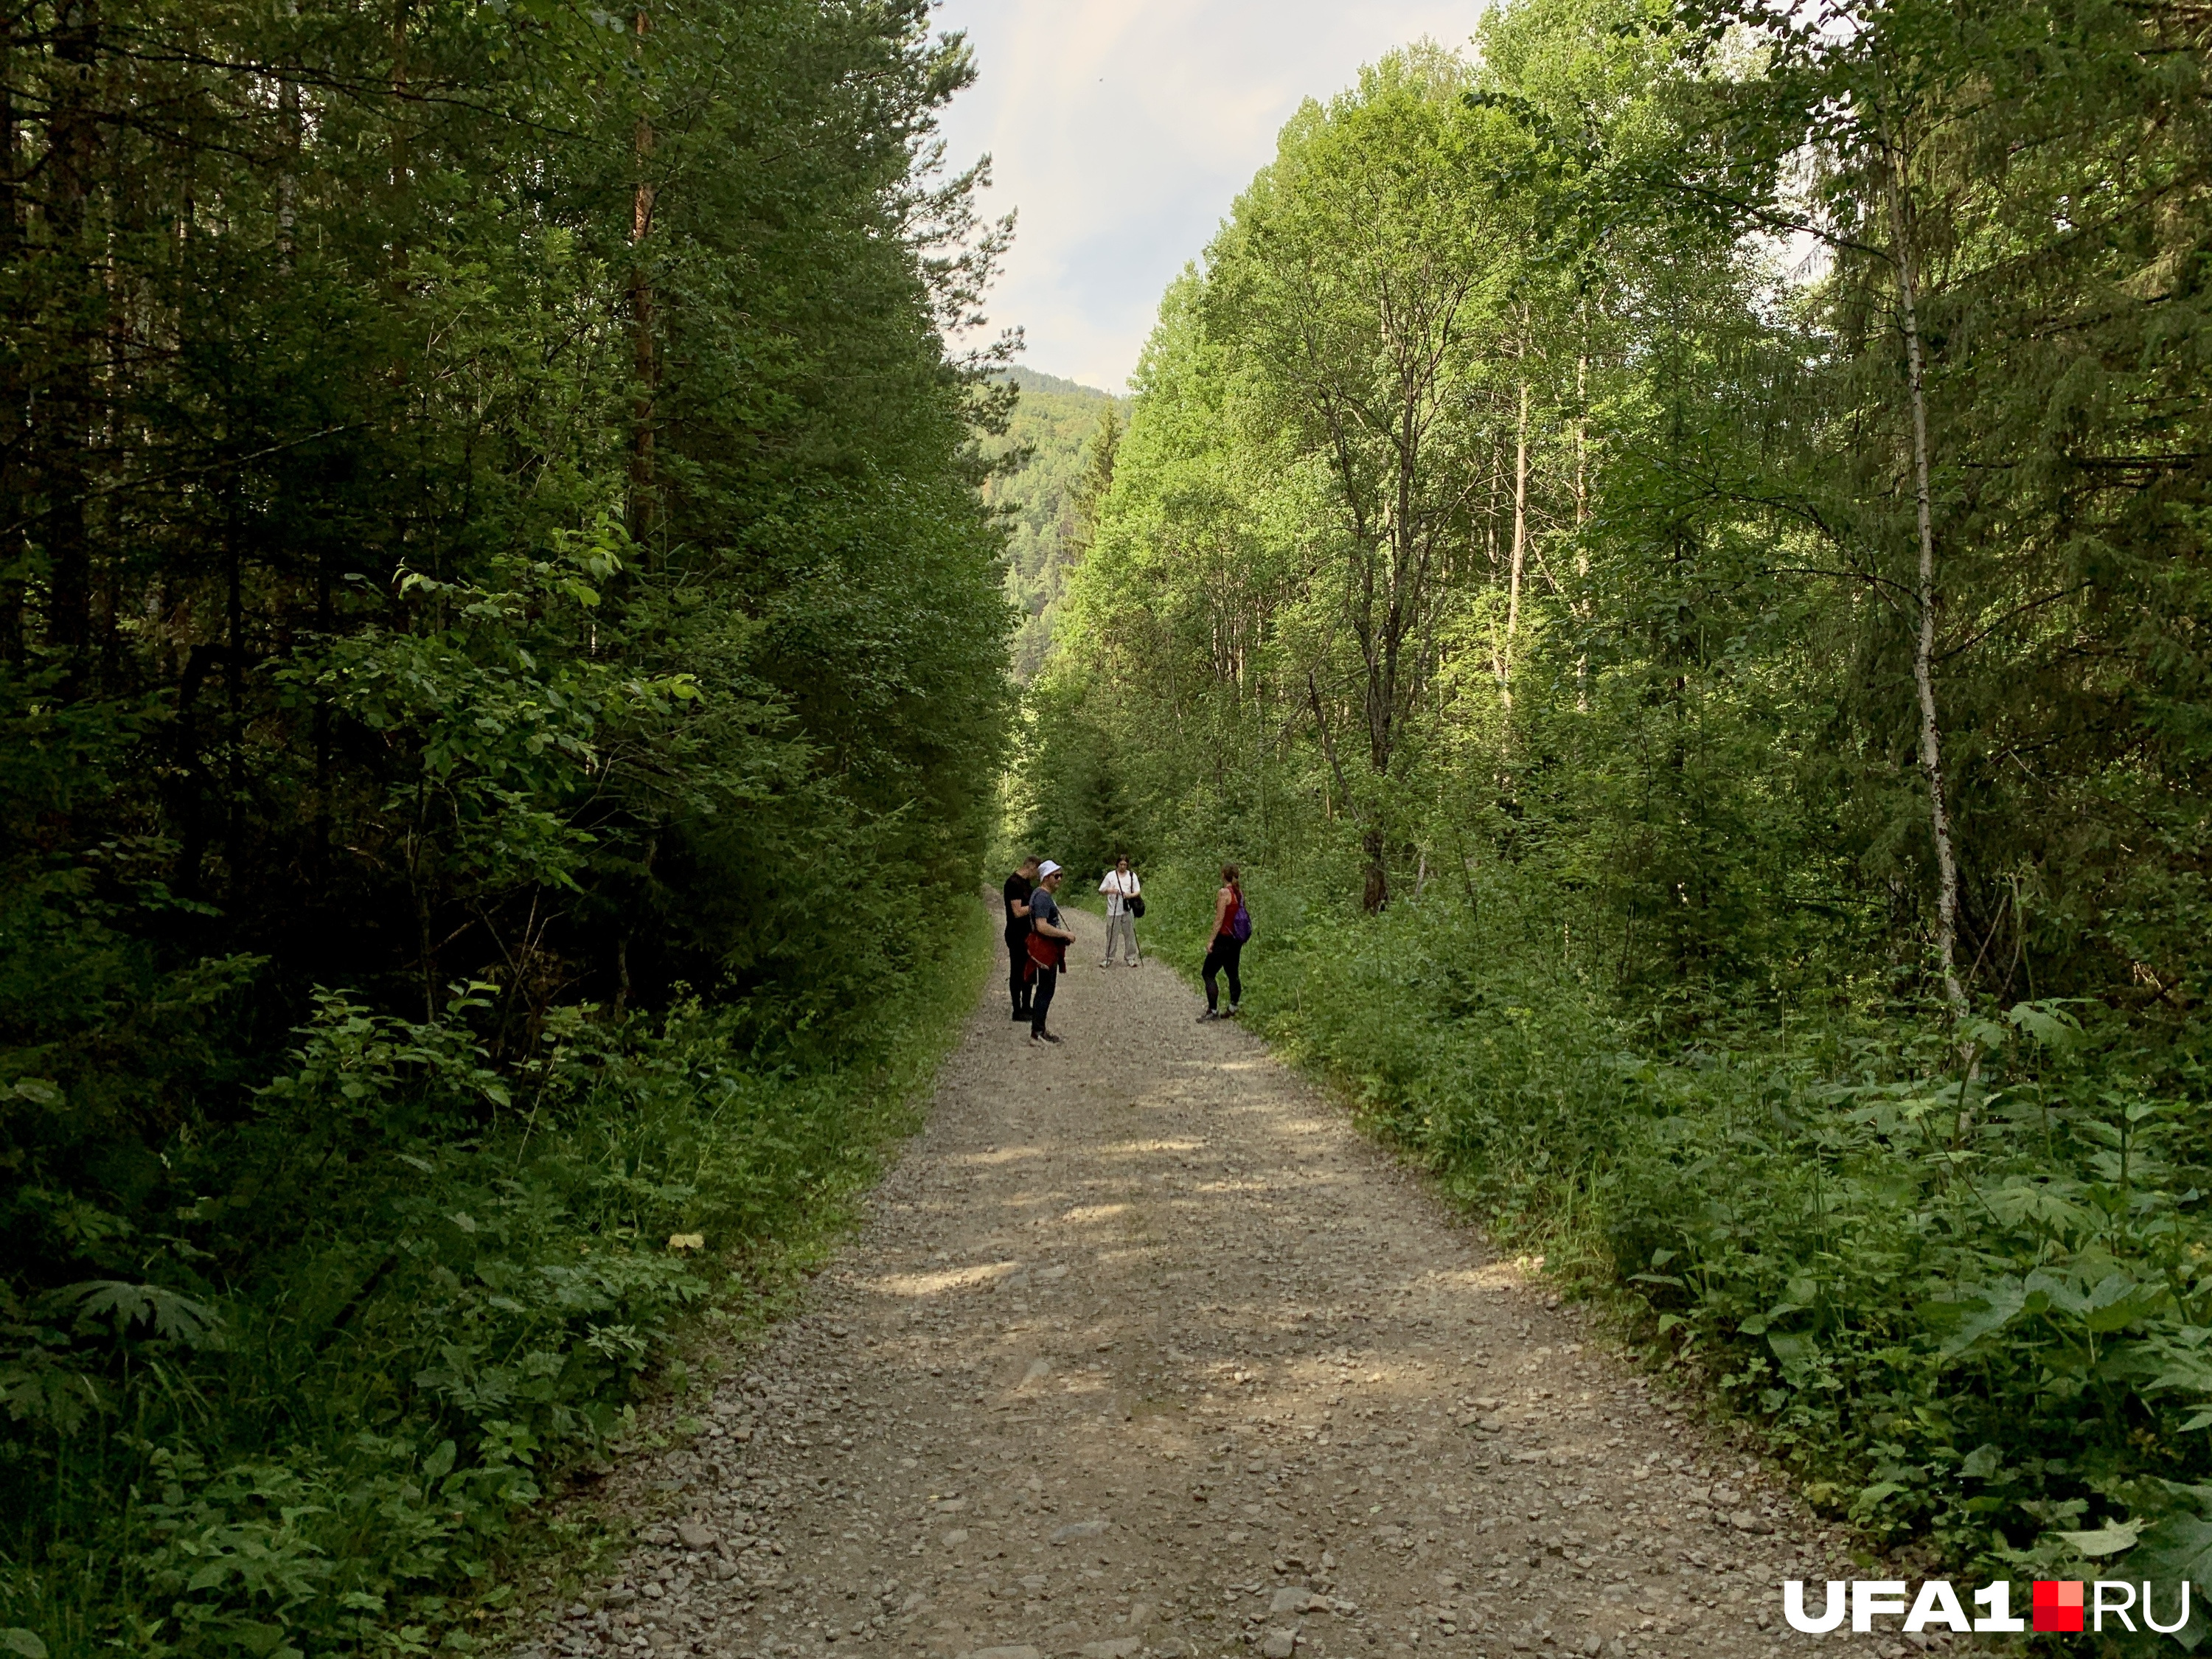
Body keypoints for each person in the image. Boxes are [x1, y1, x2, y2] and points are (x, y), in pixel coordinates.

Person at [1024, 860, 1076, 1045]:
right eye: (1056, 876)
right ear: (1046, 877)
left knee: (1046, 990)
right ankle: (1037, 1033)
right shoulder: (1043, 897)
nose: (1059, 879)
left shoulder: (1039, 894)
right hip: (1045, 948)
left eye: (1061, 875)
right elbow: (1042, 926)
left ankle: (1040, 1029)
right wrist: (1065, 934)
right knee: (1045, 990)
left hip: (1048, 947)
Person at [1196, 862, 1248, 1022]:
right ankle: (1233, 1006)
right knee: (1233, 972)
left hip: (1224, 938)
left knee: (1208, 973)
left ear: (1223, 875)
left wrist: (1211, 940)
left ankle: (1213, 1010)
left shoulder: (1224, 893)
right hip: (1236, 939)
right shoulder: (1239, 893)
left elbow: (1219, 920)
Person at [1002, 854, 1040, 1020]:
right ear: (1031, 866)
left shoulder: (1026, 884)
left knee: (1029, 970)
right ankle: (1017, 1009)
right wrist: (1035, 906)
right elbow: (1017, 912)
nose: (1037, 875)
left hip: (1028, 933)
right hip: (1016, 934)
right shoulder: (1013, 883)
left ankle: (1027, 1006)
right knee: (1017, 970)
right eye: (1037, 871)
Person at [1098, 855, 1141, 967]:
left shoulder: (1132, 876)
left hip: (1127, 908)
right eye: (1121, 864)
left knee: (1130, 934)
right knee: (1112, 934)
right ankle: (1109, 958)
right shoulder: (1110, 876)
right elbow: (1101, 890)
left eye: (1125, 865)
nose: (1123, 867)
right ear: (1117, 864)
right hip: (1113, 909)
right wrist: (1109, 890)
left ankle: (1130, 957)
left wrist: (1130, 895)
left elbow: (1138, 891)